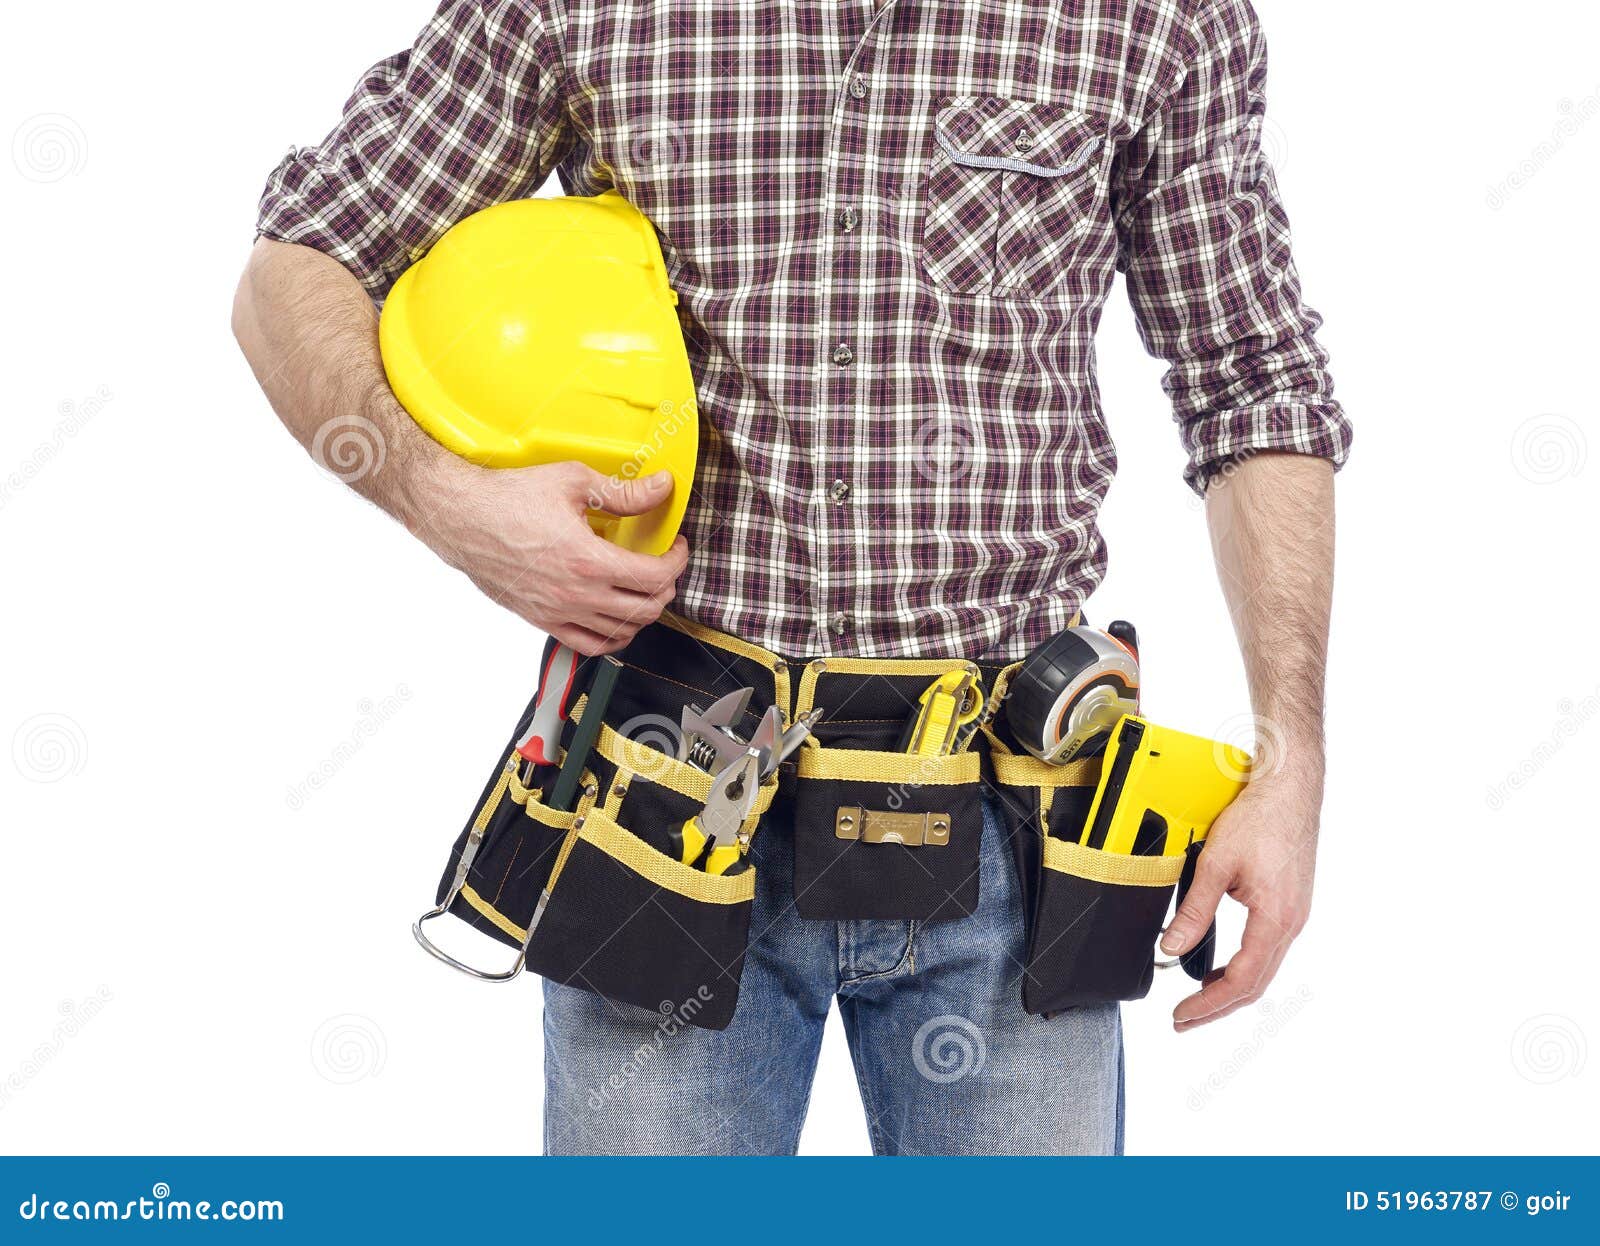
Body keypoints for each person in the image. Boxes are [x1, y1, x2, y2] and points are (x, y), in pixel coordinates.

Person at [233, 0, 1349, 1155]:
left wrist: (1292, 762)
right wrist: (446, 502)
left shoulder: (1152, 17)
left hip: (1016, 839)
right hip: (667, 810)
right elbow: (297, 263)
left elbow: (1254, 381)